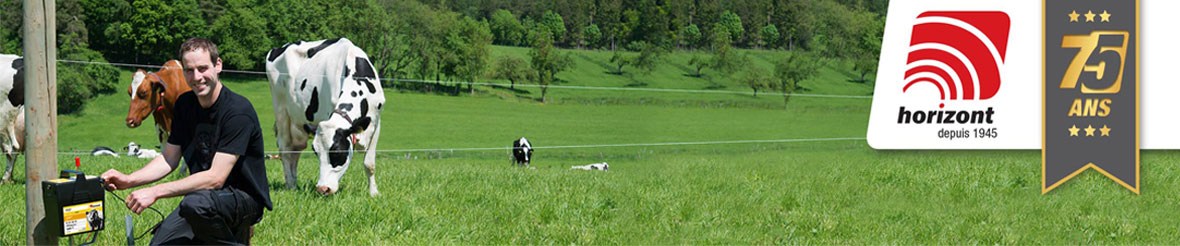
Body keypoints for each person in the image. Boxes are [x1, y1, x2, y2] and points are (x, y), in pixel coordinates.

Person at [102, 38, 271, 245]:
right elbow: (168, 158)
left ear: (218, 65)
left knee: (195, 205)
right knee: (161, 243)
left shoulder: (237, 111)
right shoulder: (185, 105)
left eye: (202, 68)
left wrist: (155, 192)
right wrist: (129, 180)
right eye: (189, 70)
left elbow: (216, 178)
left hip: (243, 199)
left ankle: (238, 235)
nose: (197, 77)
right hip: (203, 198)